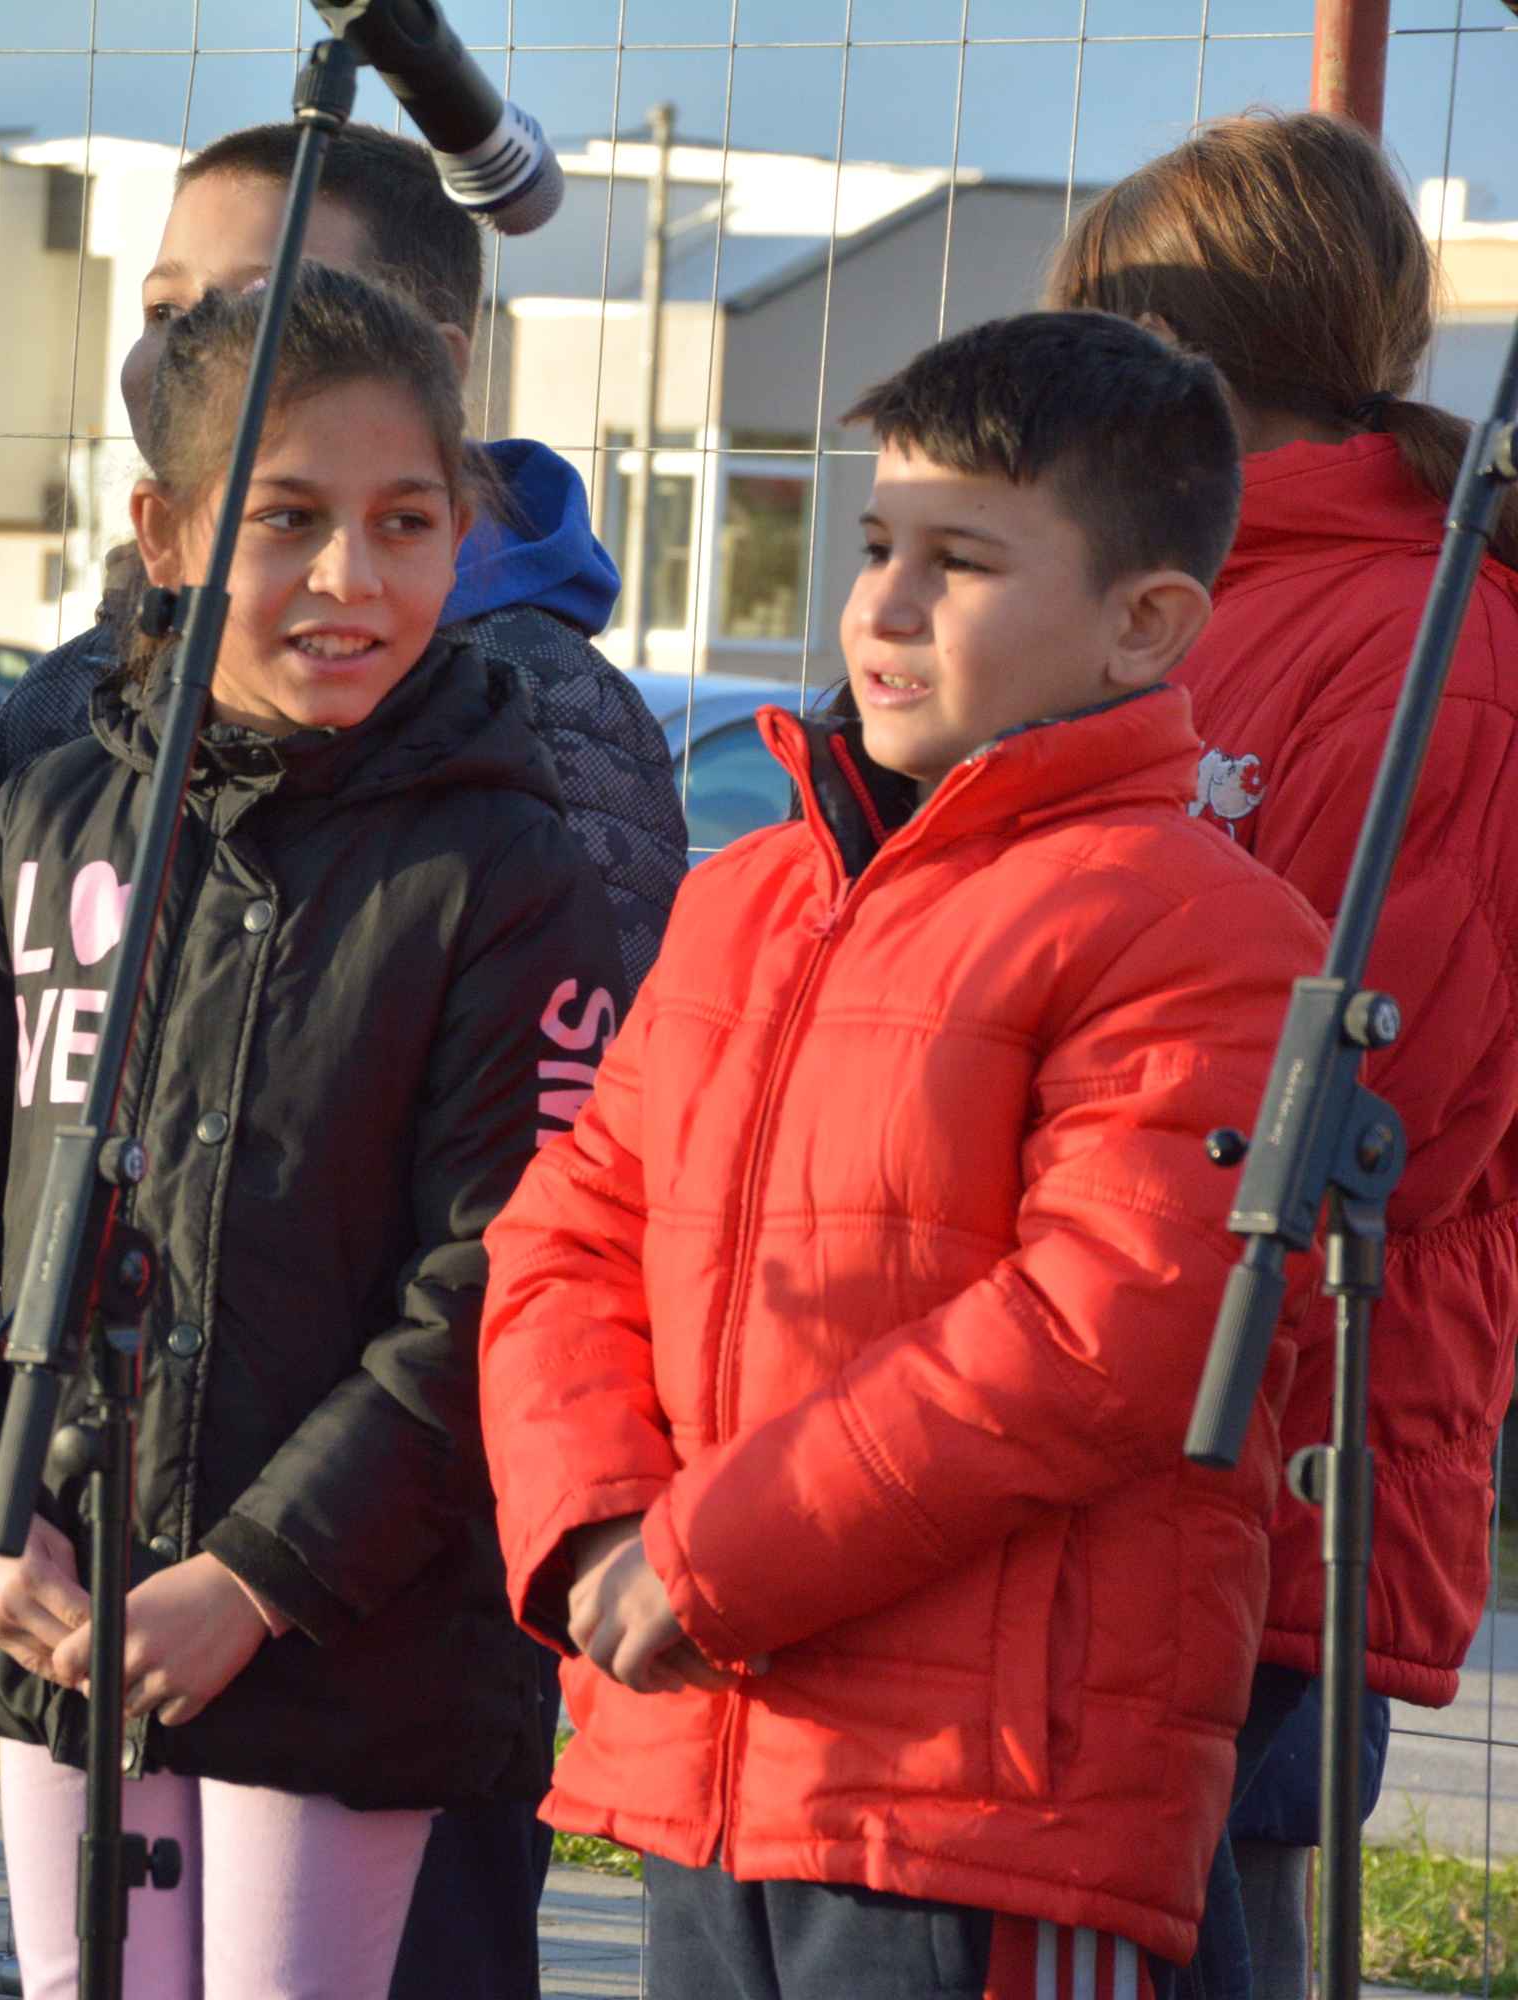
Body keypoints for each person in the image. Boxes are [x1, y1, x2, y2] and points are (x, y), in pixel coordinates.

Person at [477, 310, 1328, 1998]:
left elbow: (1096, 1335)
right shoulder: (748, 898)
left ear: (1141, 623)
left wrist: (705, 1559)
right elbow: (566, 1229)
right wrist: (590, 1523)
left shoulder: (1199, 930)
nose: (881, 604)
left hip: (988, 1810)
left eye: (959, 561)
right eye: (874, 545)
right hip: (715, 1761)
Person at [0, 264, 626, 2000]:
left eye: (404, 522)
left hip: (348, 1646)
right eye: (288, 521)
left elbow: (497, 1286)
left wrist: (254, 1578)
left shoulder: (507, 872)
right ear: (169, 533)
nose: (350, 579)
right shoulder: (50, 818)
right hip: (55, 1599)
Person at [1048, 110, 1518, 2000]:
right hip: (1082, 1400)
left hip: (1263, 1450)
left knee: (1201, 1923)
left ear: (1166, 355)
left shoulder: (1433, 650)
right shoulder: (1168, 606)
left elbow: (1396, 1092)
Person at [0, 120, 684, 995]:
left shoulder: (545, 711)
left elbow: (590, 1082)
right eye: (165, 311)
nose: (188, 351)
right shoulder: (72, 693)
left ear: (433, 363)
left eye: (264, 310)